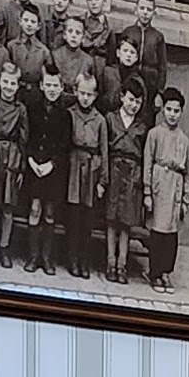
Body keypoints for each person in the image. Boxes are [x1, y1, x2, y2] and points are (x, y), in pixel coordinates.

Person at [23, 61, 71, 272]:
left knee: (50, 212)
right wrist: (32, 161)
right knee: (35, 209)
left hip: (53, 170)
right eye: (48, 85)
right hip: (34, 167)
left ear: (62, 88)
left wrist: (52, 164)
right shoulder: (32, 109)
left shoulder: (65, 115)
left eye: (55, 86)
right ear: (42, 86)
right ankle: (33, 257)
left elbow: (64, 146)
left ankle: (47, 258)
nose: (52, 89)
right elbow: (27, 138)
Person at [145, 86, 189, 287]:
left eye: (176, 110)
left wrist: (185, 200)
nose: (172, 114)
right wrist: (147, 192)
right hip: (159, 185)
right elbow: (147, 163)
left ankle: (166, 272)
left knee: (171, 233)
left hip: (175, 188)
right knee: (158, 231)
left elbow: (188, 173)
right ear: (163, 109)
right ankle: (154, 272)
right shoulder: (154, 134)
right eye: (169, 109)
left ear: (181, 112)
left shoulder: (185, 141)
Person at [65, 65, 109, 280]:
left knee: (87, 220)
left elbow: (104, 150)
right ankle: (72, 259)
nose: (85, 98)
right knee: (73, 217)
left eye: (89, 94)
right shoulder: (70, 114)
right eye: (82, 93)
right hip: (74, 166)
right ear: (75, 91)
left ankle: (84, 260)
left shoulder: (100, 120)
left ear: (95, 96)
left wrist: (102, 180)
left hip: (91, 170)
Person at [104, 81, 147, 284]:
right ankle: (110, 263)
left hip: (132, 174)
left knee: (126, 222)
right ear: (122, 97)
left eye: (138, 101)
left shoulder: (142, 126)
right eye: (130, 99)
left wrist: (139, 178)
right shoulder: (110, 119)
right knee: (111, 218)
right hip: (114, 170)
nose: (133, 105)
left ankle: (122, 265)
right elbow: (104, 148)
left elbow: (143, 155)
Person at [0, 57, 27, 264]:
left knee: (8, 206)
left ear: (18, 85)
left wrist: (21, 167)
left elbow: (23, 139)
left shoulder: (21, 109)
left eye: (13, 83)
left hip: (13, 157)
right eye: (6, 82)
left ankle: (5, 248)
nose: (9, 87)